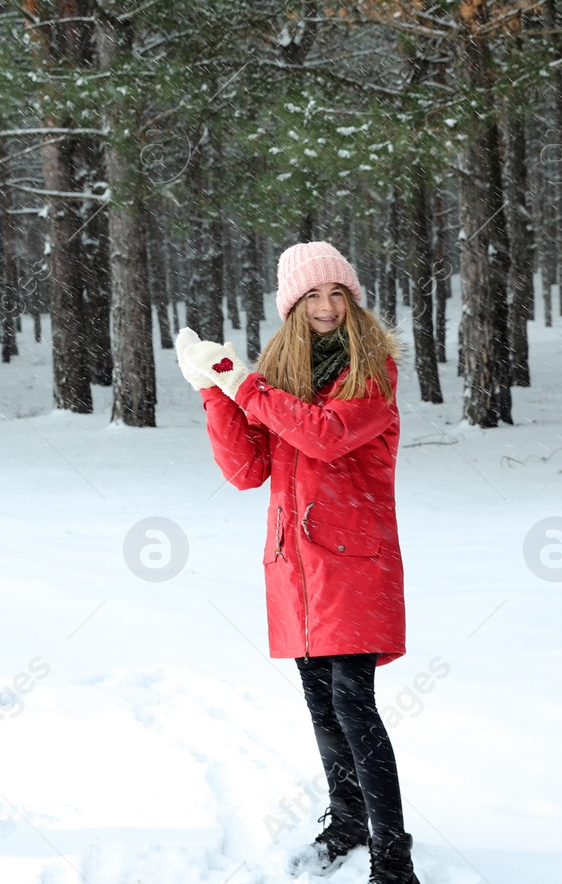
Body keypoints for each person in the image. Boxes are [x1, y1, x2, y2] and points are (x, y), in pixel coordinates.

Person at [174, 241, 420, 884]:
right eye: (312, 295)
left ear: (352, 297)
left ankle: (394, 856)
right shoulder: (280, 378)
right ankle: (346, 821)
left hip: (354, 560)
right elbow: (246, 470)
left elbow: (324, 435)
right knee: (320, 701)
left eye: (337, 292)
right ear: (292, 305)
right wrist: (215, 394)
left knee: (352, 700)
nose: (328, 306)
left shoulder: (373, 371)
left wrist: (244, 385)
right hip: (297, 564)